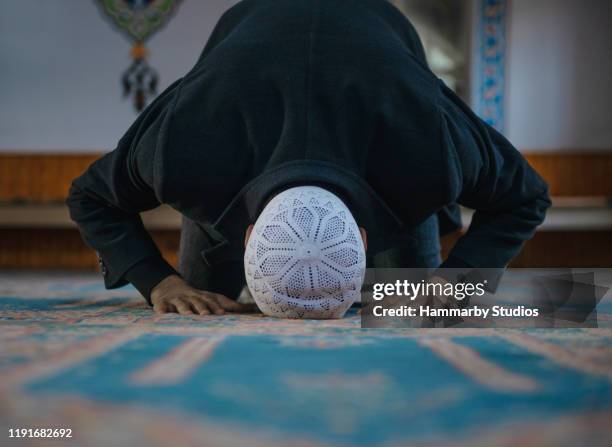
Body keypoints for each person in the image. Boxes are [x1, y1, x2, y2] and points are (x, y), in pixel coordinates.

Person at [67, 0, 550, 317]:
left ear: (365, 237)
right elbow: (90, 196)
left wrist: (456, 284)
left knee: (418, 312)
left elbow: (525, 196)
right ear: (245, 234)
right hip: (239, 89)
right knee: (190, 306)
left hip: (381, 56)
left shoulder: (424, 145)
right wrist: (159, 283)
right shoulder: (189, 144)